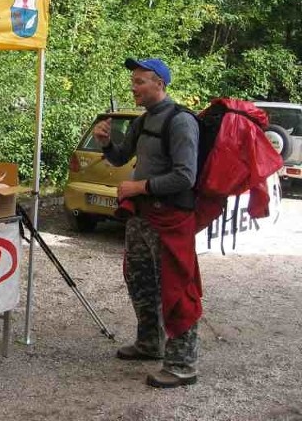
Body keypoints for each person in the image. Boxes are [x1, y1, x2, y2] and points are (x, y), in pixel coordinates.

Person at [92, 58, 201, 388]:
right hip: (142, 217)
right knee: (139, 278)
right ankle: (150, 343)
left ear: (159, 84)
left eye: (140, 81)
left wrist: (139, 186)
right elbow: (121, 158)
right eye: (133, 81)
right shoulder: (143, 120)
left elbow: (185, 176)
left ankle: (183, 366)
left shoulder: (181, 122)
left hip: (171, 218)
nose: (133, 86)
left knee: (177, 288)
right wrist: (106, 143)